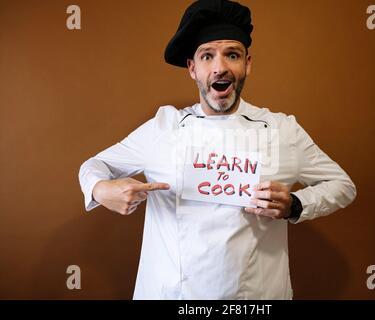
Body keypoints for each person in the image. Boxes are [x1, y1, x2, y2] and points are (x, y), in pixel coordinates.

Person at [78, 0, 357, 300]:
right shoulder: (163, 127)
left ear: (247, 63)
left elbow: (343, 186)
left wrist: (295, 205)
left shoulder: (281, 130)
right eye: (207, 56)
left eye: (232, 55)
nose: (220, 67)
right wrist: (100, 189)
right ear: (193, 68)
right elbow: (94, 166)